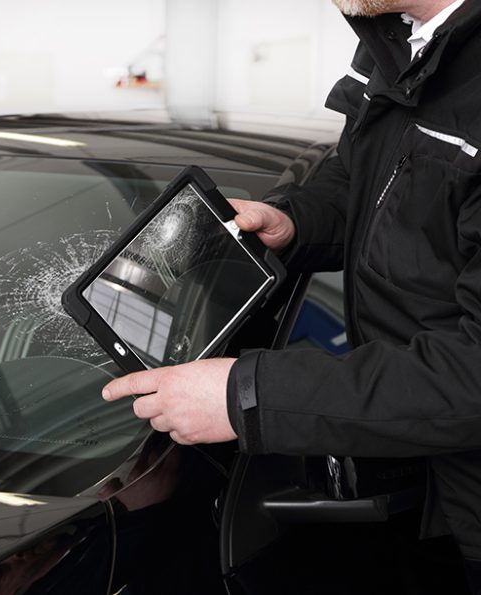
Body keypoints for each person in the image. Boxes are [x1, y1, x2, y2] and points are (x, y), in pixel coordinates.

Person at [101, 0, 481, 591]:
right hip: (427, 492)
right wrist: (296, 222)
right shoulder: (394, 39)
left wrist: (244, 397)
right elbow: (363, 178)